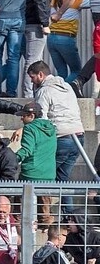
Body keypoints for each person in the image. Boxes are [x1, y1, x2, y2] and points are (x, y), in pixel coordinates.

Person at [26, 61, 85, 209]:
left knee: (39, 175)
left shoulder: (44, 91)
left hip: (61, 138)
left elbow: (41, 119)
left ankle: (37, 217)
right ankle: (69, 218)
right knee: (62, 180)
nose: (31, 81)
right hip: (78, 136)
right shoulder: (67, 87)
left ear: (41, 74)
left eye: (32, 77)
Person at [21, 0, 58, 98]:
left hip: (25, 18)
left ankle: (30, 92)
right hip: (36, 21)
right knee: (33, 58)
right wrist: (44, 23)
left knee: (28, 57)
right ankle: (29, 95)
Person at [48, 0, 89, 83]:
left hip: (51, 38)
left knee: (61, 73)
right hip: (65, 38)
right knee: (76, 71)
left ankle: (57, 94)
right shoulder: (77, 0)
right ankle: (63, 91)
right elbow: (95, 3)